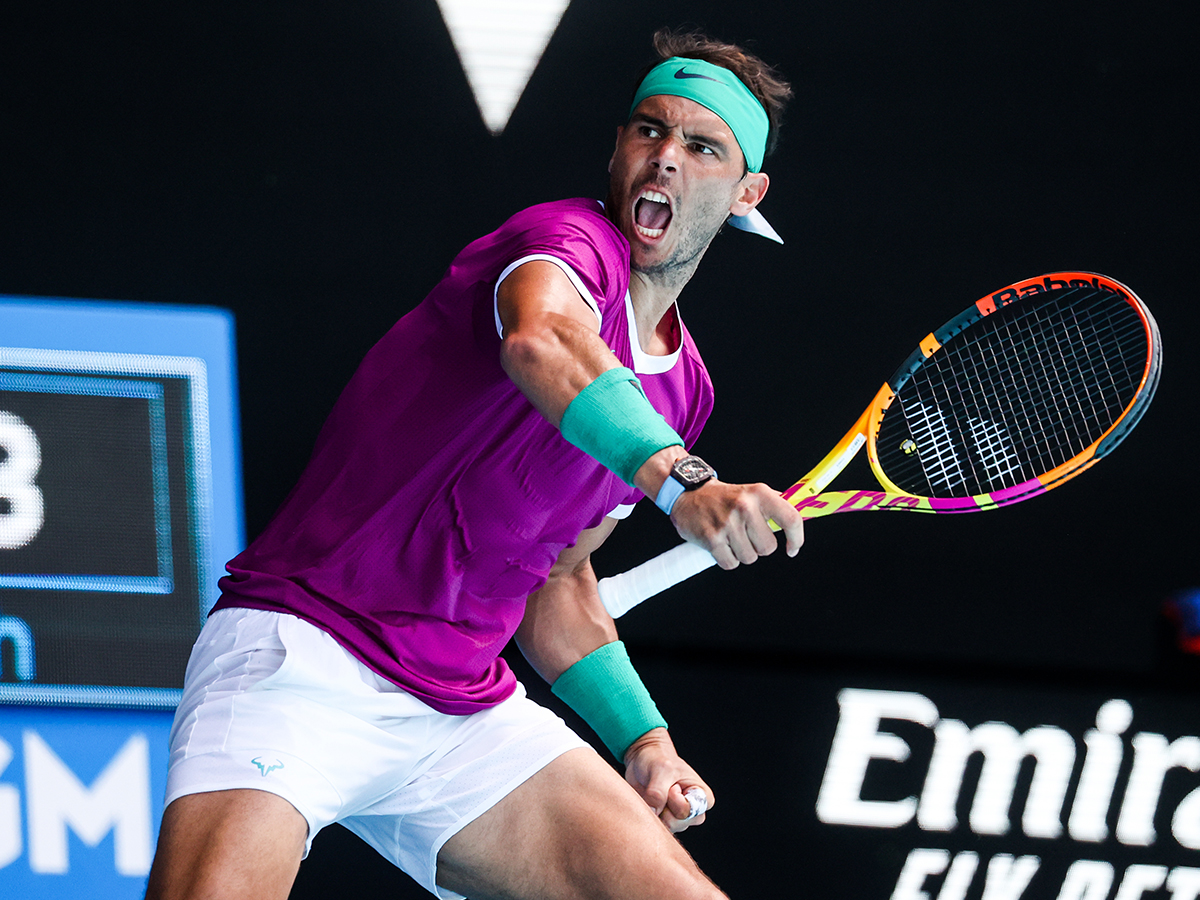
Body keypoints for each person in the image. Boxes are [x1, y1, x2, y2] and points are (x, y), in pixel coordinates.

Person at [145, 27, 802, 900]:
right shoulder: (565, 241)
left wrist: (644, 739)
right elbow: (543, 339)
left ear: (748, 192)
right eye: (650, 130)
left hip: (459, 714)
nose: (667, 157)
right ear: (617, 145)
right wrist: (684, 483)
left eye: (703, 146)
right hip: (303, 658)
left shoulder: (682, 391)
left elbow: (557, 579)